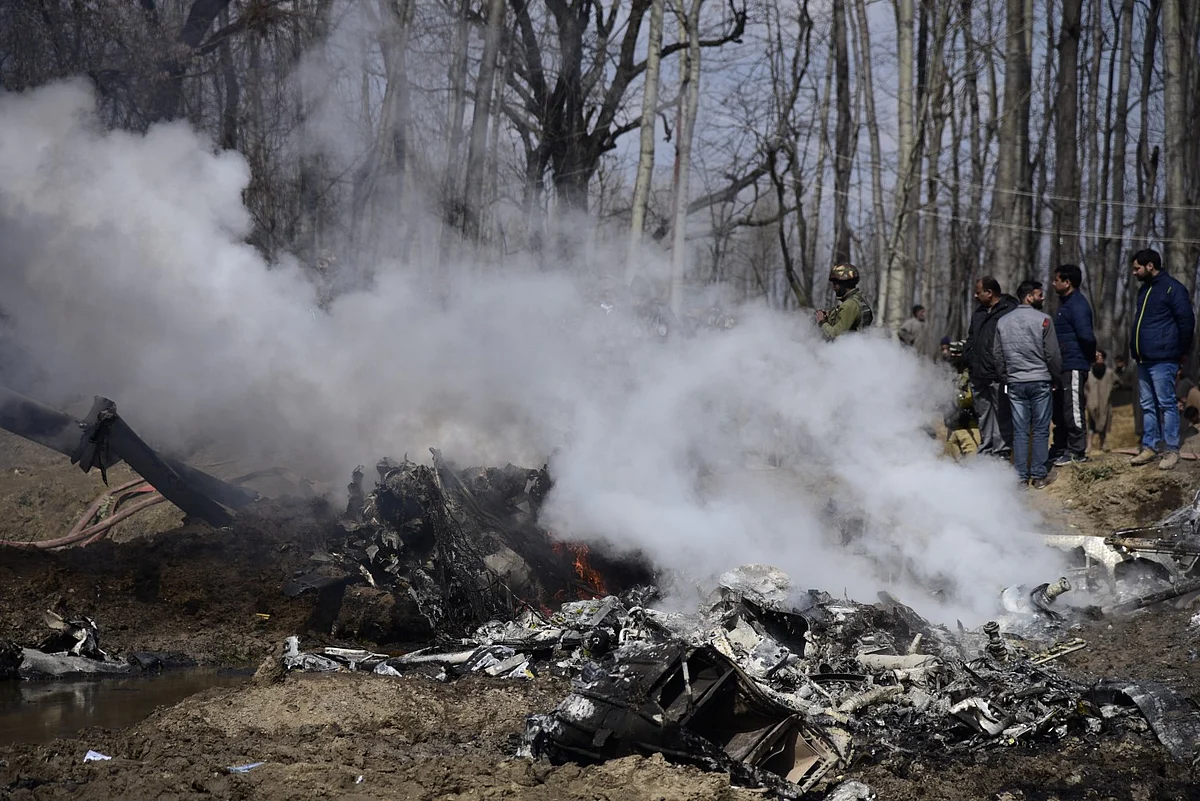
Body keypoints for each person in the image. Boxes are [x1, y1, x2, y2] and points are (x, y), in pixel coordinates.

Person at [1128, 248, 1196, 470]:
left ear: (1150, 266)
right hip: (1143, 359)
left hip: (1164, 357)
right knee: (1147, 404)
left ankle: (1172, 449)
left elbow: (1186, 323)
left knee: (1166, 403)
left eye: (1137, 268)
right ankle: (1149, 446)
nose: (1134, 273)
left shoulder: (1172, 289)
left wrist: (1181, 353)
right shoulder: (1144, 290)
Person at [993, 280, 1062, 488]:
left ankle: (1021, 478)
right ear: (1029, 296)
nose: (1042, 298)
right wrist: (1056, 377)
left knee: (1020, 430)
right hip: (1040, 379)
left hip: (1015, 381)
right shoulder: (1044, 320)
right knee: (1041, 429)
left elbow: (997, 355)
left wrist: (1006, 376)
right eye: (1040, 295)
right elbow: (1052, 355)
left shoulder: (1003, 322)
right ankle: (1039, 476)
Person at [964, 276, 1018, 457]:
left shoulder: (1009, 310)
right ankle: (986, 450)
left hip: (999, 375)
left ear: (989, 292)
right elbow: (971, 338)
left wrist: (1002, 367)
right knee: (983, 414)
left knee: (1002, 413)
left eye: (978, 292)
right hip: (978, 374)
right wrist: (969, 357)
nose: (974, 295)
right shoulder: (978, 313)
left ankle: (1001, 451)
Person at [1050, 264, 1097, 464]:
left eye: (1056, 280)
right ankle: (1061, 447)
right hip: (1062, 366)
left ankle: (1077, 450)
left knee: (1073, 408)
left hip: (1074, 364)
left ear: (1067, 283)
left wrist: (1085, 357)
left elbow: (1087, 337)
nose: (1053, 283)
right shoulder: (1065, 305)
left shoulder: (1078, 305)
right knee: (1060, 410)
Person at [943, 340, 981, 459]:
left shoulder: (973, 374)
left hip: (970, 427)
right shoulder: (946, 373)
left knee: (973, 466)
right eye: (952, 353)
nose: (954, 357)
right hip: (952, 428)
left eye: (958, 353)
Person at [816, 263, 873, 339]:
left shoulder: (849, 305)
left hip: (848, 349)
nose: (834, 288)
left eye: (835, 284)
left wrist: (822, 322)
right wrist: (830, 315)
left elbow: (835, 335)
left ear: (844, 284)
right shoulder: (859, 299)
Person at [1086, 349, 1115, 453]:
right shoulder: (1089, 372)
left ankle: (1103, 444)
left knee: (1104, 421)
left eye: (1100, 356)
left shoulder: (1109, 372)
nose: (1098, 357)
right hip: (1092, 400)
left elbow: (1116, 383)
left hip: (1104, 401)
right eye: (1096, 356)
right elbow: (1085, 386)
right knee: (1091, 424)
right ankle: (1089, 445)